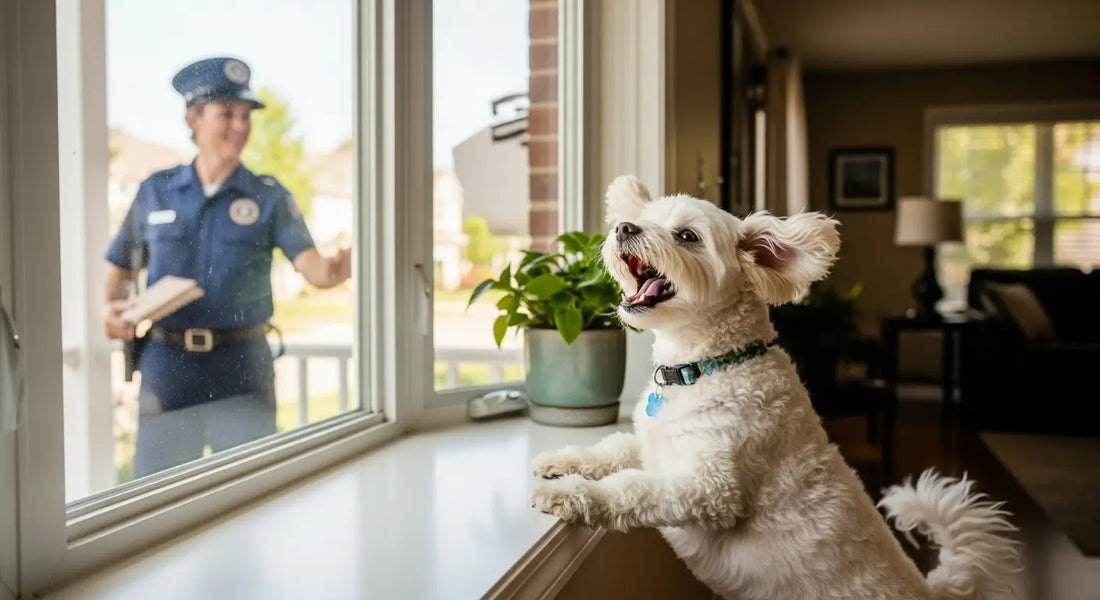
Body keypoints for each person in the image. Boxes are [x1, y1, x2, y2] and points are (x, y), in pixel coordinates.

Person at [102, 57, 351, 478]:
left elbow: (316, 270)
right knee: (159, 495)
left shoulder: (269, 196)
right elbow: (120, 269)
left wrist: (341, 267)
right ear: (193, 118)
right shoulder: (155, 191)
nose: (240, 125)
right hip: (168, 368)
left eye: (246, 115)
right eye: (228, 113)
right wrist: (110, 310)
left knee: (250, 489)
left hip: (242, 367)